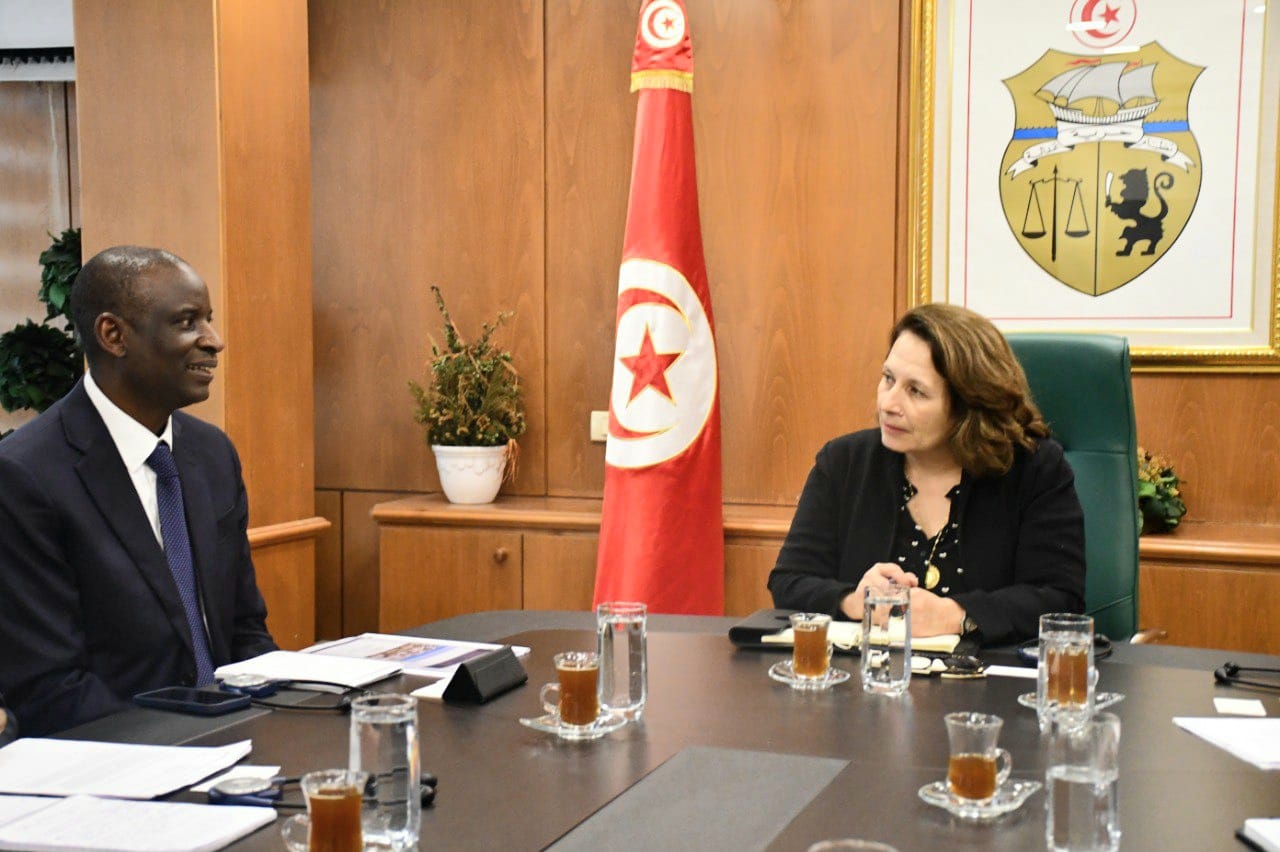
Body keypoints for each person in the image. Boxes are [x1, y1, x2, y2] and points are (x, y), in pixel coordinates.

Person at [0, 245, 277, 736]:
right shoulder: (24, 475)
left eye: (209, 320)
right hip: (116, 754)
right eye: (187, 322)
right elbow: (49, 687)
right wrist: (186, 744)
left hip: (237, 738)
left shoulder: (213, 453)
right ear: (114, 335)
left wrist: (287, 716)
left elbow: (246, 632)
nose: (214, 341)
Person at [768, 303, 1085, 646]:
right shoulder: (843, 462)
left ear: (968, 406)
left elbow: (1060, 598)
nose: (888, 404)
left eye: (916, 391)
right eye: (888, 379)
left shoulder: (1035, 469)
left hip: (989, 677)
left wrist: (955, 614)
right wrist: (853, 600)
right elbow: (789, 581)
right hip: (869, 676)